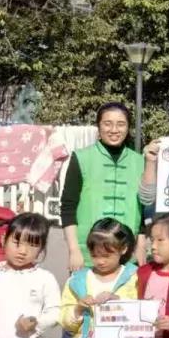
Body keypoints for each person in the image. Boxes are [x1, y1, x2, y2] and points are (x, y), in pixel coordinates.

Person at [61, 101, 145, 271]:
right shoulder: (81, 158)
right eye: (107, 123)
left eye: (120, 124)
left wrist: (141, 246)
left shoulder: (140, 161)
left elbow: (144, 208)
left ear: (128, 127)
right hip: (89, 253)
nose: (114, 130)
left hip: (127, 252)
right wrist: (74, 249)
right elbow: (68, 206)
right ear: (98, 127)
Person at [61, 219, 140, 338]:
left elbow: (142, 312)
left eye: (106, 256)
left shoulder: (134, 277)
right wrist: (78, 309)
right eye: (95, 255)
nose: (100, 261)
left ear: (123, 249)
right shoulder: (78, 281)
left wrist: (118, 301)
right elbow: (66, 321)